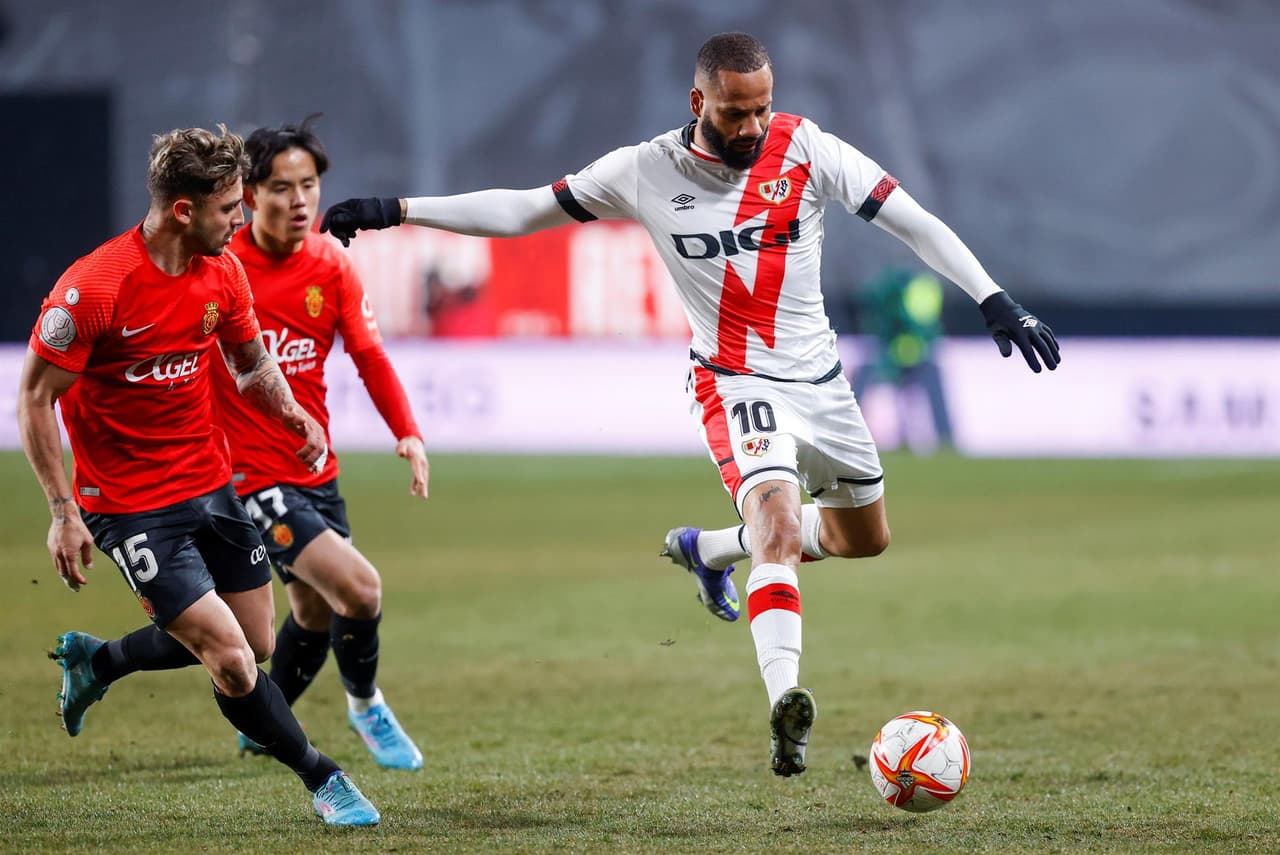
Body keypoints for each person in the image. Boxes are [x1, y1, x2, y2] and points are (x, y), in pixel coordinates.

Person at [319, 32, 1060, 779]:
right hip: (736, 384)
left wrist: (995, 300)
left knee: (863, 539)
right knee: (775, 523)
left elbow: (914, 220)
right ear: (699, 102)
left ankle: (709, 549)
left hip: (824, 382)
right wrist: (396, 208)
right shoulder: (645, 170)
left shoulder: (805, 147)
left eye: (762, 110)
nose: (752, 127)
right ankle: (787, 699)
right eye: (737, 113)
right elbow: (522, 211)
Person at [17, 125, 379, 825]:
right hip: (127, 507)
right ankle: (325, 778)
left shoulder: (222, 272)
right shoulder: (94, 288)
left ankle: (101, 661)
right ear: (183, 210)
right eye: (228, 209)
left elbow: (249, 363)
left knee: (261, 641)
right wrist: (63, 510)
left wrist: (293, 415)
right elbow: (35, 398)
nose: (241, 220)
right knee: (234, 661)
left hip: (211, 485)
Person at [208, 118, 428, 770]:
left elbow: (369, 354)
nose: (301, 200)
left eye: (310, 184)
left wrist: (408, 432)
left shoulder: (331, 264)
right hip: (245, 477)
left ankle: (263, 718)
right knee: (359, 590)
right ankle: (366, 704)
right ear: (249, 194)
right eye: (282, 187)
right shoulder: (220, 268)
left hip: (314, 467)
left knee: (310, 609)